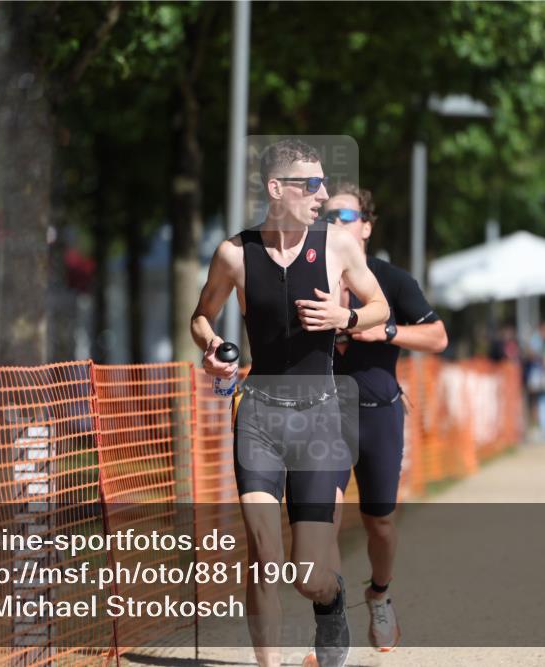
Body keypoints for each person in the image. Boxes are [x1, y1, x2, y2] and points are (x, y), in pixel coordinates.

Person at [191, 139, 389, 667]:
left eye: (324, 183)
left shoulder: (338, 247)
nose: (322, 194)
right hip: (258, 413)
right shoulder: (235, 253)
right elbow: (201, 315)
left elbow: (379, 307)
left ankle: (332, 600)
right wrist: (212, 347)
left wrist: (343, 319)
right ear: (276, 189)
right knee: (262, 557)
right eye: (311, 184)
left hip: (320, 416)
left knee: (306, 574)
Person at [307, 183, 447, 659]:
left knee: (379, 523)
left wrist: (386, 330)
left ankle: (380, 595)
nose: (334, 224)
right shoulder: (308, 278)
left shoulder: (392, 280)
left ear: (366, 225)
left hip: (378, 413)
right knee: (320, 521)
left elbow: (438, 336)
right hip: (324, 417)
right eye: (326, 216)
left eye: (344, 216)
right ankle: (329, 623)